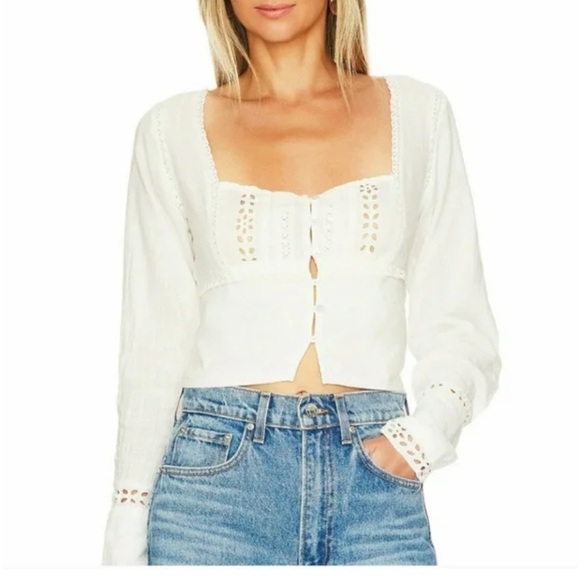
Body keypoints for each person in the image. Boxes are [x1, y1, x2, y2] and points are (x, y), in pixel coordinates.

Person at [101, 0, 502, 566]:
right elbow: (153, 341)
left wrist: (420, 439)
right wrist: (126, 526)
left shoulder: (419, 115)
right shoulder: (170, 132)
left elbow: (459, 321)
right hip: (214, 487)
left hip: (375, 488)